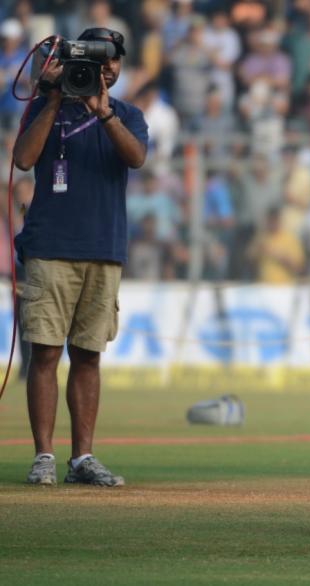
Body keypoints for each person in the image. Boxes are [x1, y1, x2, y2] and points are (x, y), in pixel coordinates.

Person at [12, 28, 148, 486]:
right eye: (95, 60)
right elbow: (24, 159)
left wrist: (102, 111)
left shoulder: (127, 114)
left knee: (88, 355)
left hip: (103, 247)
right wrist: (54, 97)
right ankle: (44, 457)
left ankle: (82, 458)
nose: (105, 68)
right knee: (45, 353)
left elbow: (135, 157)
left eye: (113, 60)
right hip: (50, 246)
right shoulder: (44, 107)